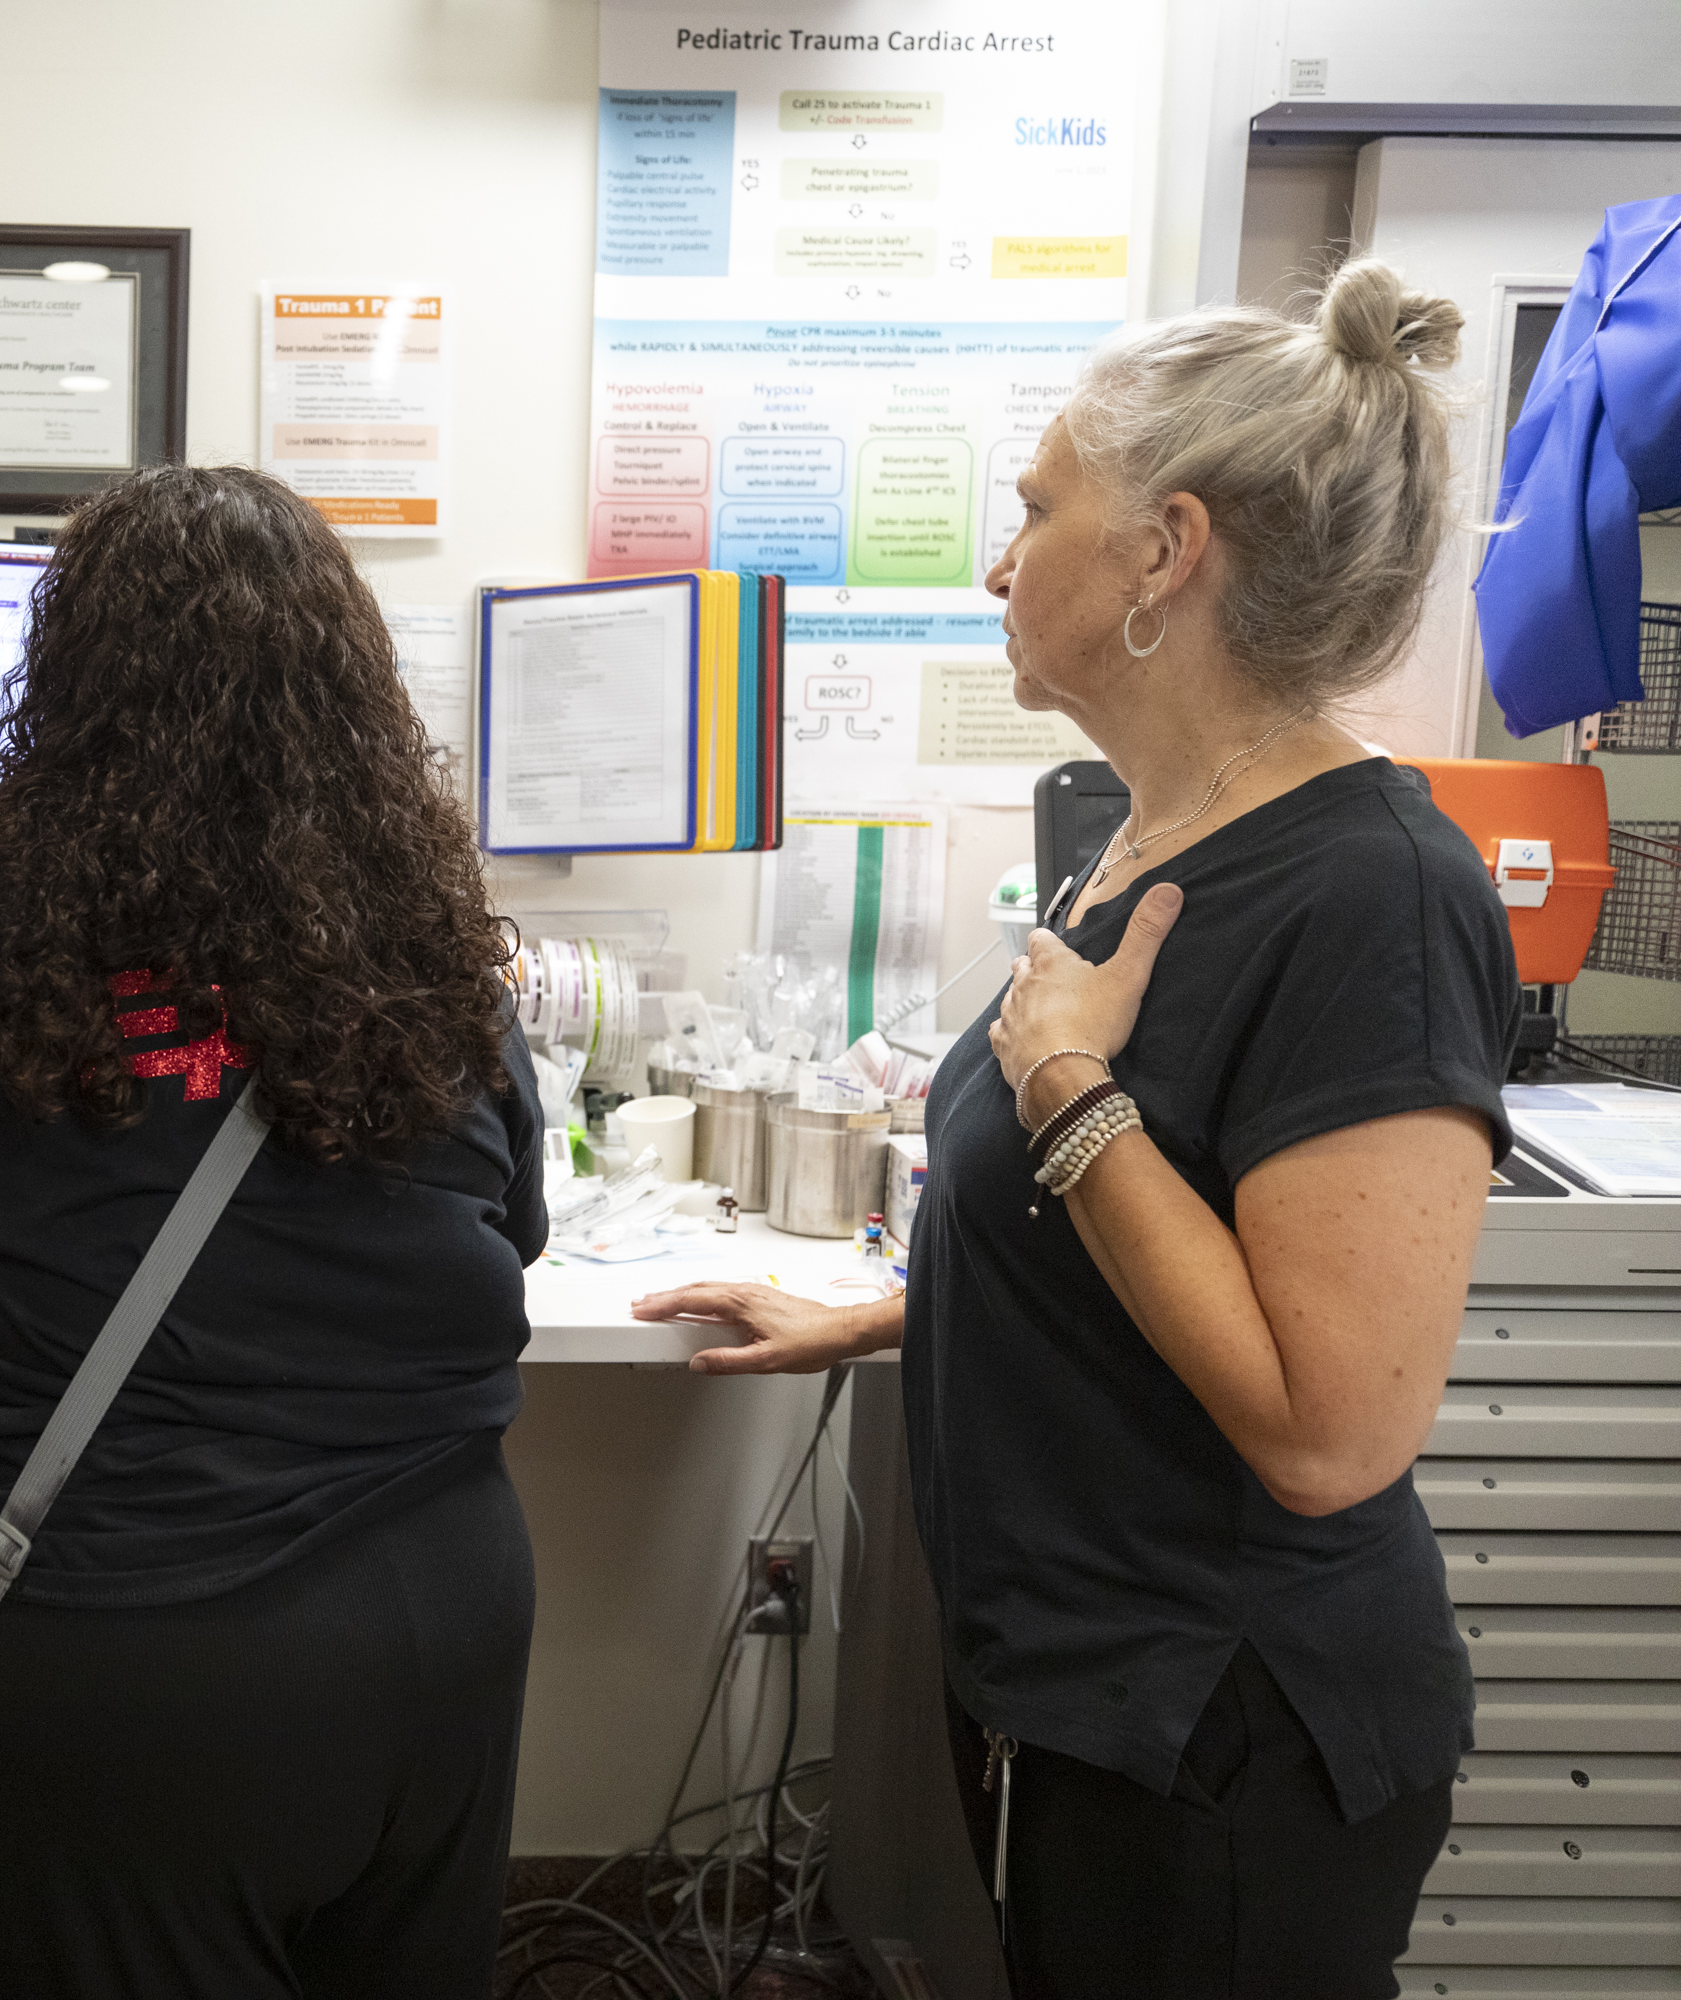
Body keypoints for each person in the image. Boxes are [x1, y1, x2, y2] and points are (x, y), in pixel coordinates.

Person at [634, 260, 1516, 1998]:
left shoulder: (1374, 892)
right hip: (1083, 1700)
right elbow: (1117, 1252)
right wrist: (889, 1312)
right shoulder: (1144, 834)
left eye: (1036, 506)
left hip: (1231, 1740)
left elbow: (1331, 1435)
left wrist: (1067, 1089)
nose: (997, 557)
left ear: (1165, 551)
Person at [0, 463, 546, 1999]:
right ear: (351, 693)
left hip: (118, 1642)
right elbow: (509, 1225)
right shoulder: (429, 936)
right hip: (441, 1613)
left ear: (69, 679)